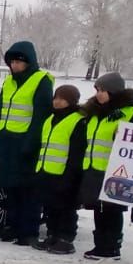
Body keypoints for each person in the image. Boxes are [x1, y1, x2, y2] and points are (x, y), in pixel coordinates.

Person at [0, 40, 53, 246]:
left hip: (26, 143)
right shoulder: (9, 82)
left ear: (29, 62)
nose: (15, 66)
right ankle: (12, 226)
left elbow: (41, 116)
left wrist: (31, 143)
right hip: (8, 141)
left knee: (28, 190)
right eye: (12, 62)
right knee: (10, 187)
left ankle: (28, 232)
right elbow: (0, 111)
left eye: (19, 62)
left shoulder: (41, 80)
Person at [79, 72, 133, 260]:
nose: (99, 94)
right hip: (94, 167)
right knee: (99, 208)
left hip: (115, 169)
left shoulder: (129, 114)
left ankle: (111, 246)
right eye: (97, 89)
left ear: (114, 92)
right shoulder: (95, 113)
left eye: (103, 90)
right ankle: (100, 245)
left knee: (112, 209)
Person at [33, 84, 87, 254]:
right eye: (56, 98)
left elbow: (77, 151)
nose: (57, 102)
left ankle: (66, 239)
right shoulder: (51, 118)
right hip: (46, 170)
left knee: (66, 208)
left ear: (71, 101)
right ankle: (52, 235)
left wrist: (71, 174)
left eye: (62, 99)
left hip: (65, 173)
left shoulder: (77, 120)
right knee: (50, 206)